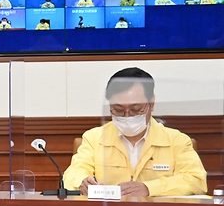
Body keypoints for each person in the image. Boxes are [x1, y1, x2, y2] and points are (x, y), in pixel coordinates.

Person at [63, 68, 206, 197]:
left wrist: (149, 188)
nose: (127, 116)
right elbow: (72, 174)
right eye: (118, 110)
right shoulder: (94, 138)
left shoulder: (177, 141)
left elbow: (196, 180)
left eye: (136, 109)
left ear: (152, 104)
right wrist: (83, 182)